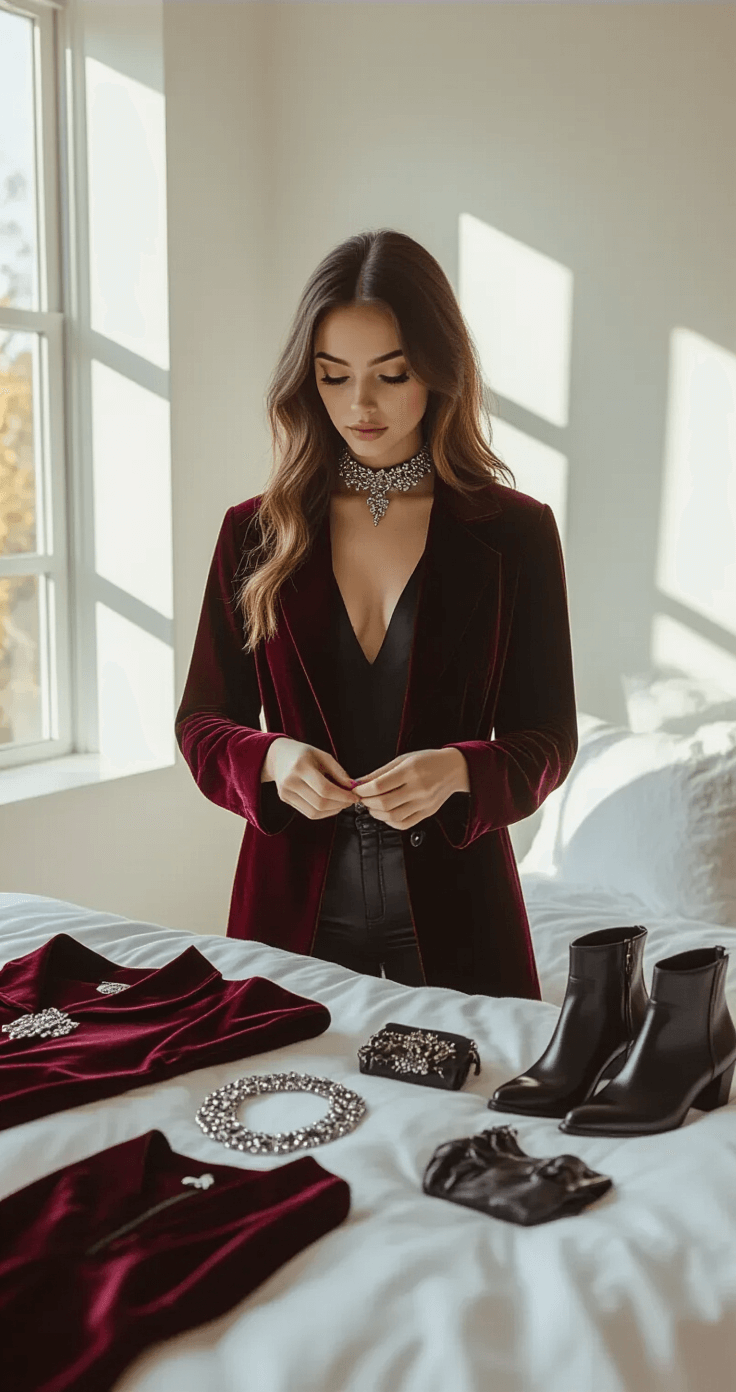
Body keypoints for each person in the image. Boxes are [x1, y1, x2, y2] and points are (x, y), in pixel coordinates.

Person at [175, 229, 578, 998]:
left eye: (390, 376)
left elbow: (549, 739)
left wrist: (460, 768)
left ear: (438, 373)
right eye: (333, 376)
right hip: (289, 914)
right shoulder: (254, 532)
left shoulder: (515, 534)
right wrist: (270, 759)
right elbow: (201, 721)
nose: (359, 405)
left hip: (462, 915)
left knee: (472, 1115)